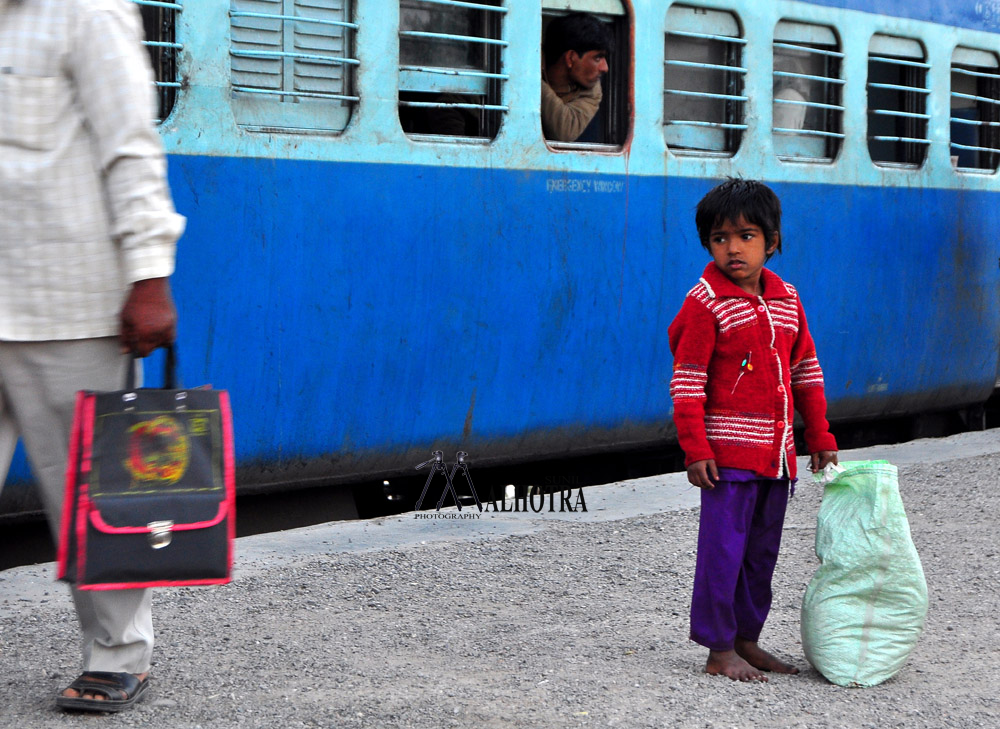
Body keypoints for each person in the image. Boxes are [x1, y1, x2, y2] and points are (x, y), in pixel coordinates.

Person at [0, 0, 184, 712]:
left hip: (69, 305)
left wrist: (149, 275)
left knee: (91, 496)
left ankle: (117, 655)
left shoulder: (89, 11)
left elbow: (129, 146)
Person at [667, 179, 838, 683]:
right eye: (720, 238)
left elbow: (805, 368)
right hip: (727, 459)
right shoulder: (705, 303)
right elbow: (688, 381)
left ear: (773, 240)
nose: (733, 248)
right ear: (707, 245)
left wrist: (820, 435)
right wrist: (695, 448)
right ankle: (719, 649)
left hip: (776, 457)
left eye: (746, 236)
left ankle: (747, 640)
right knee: (723, 555)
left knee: (761, 556)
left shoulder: (787, 298)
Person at [541, 13, 613, 142]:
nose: (605, 67)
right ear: (570, 58)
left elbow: (565, 131)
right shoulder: (531, 61)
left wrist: (531, 81)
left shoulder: (592, 90)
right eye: (597, 58)